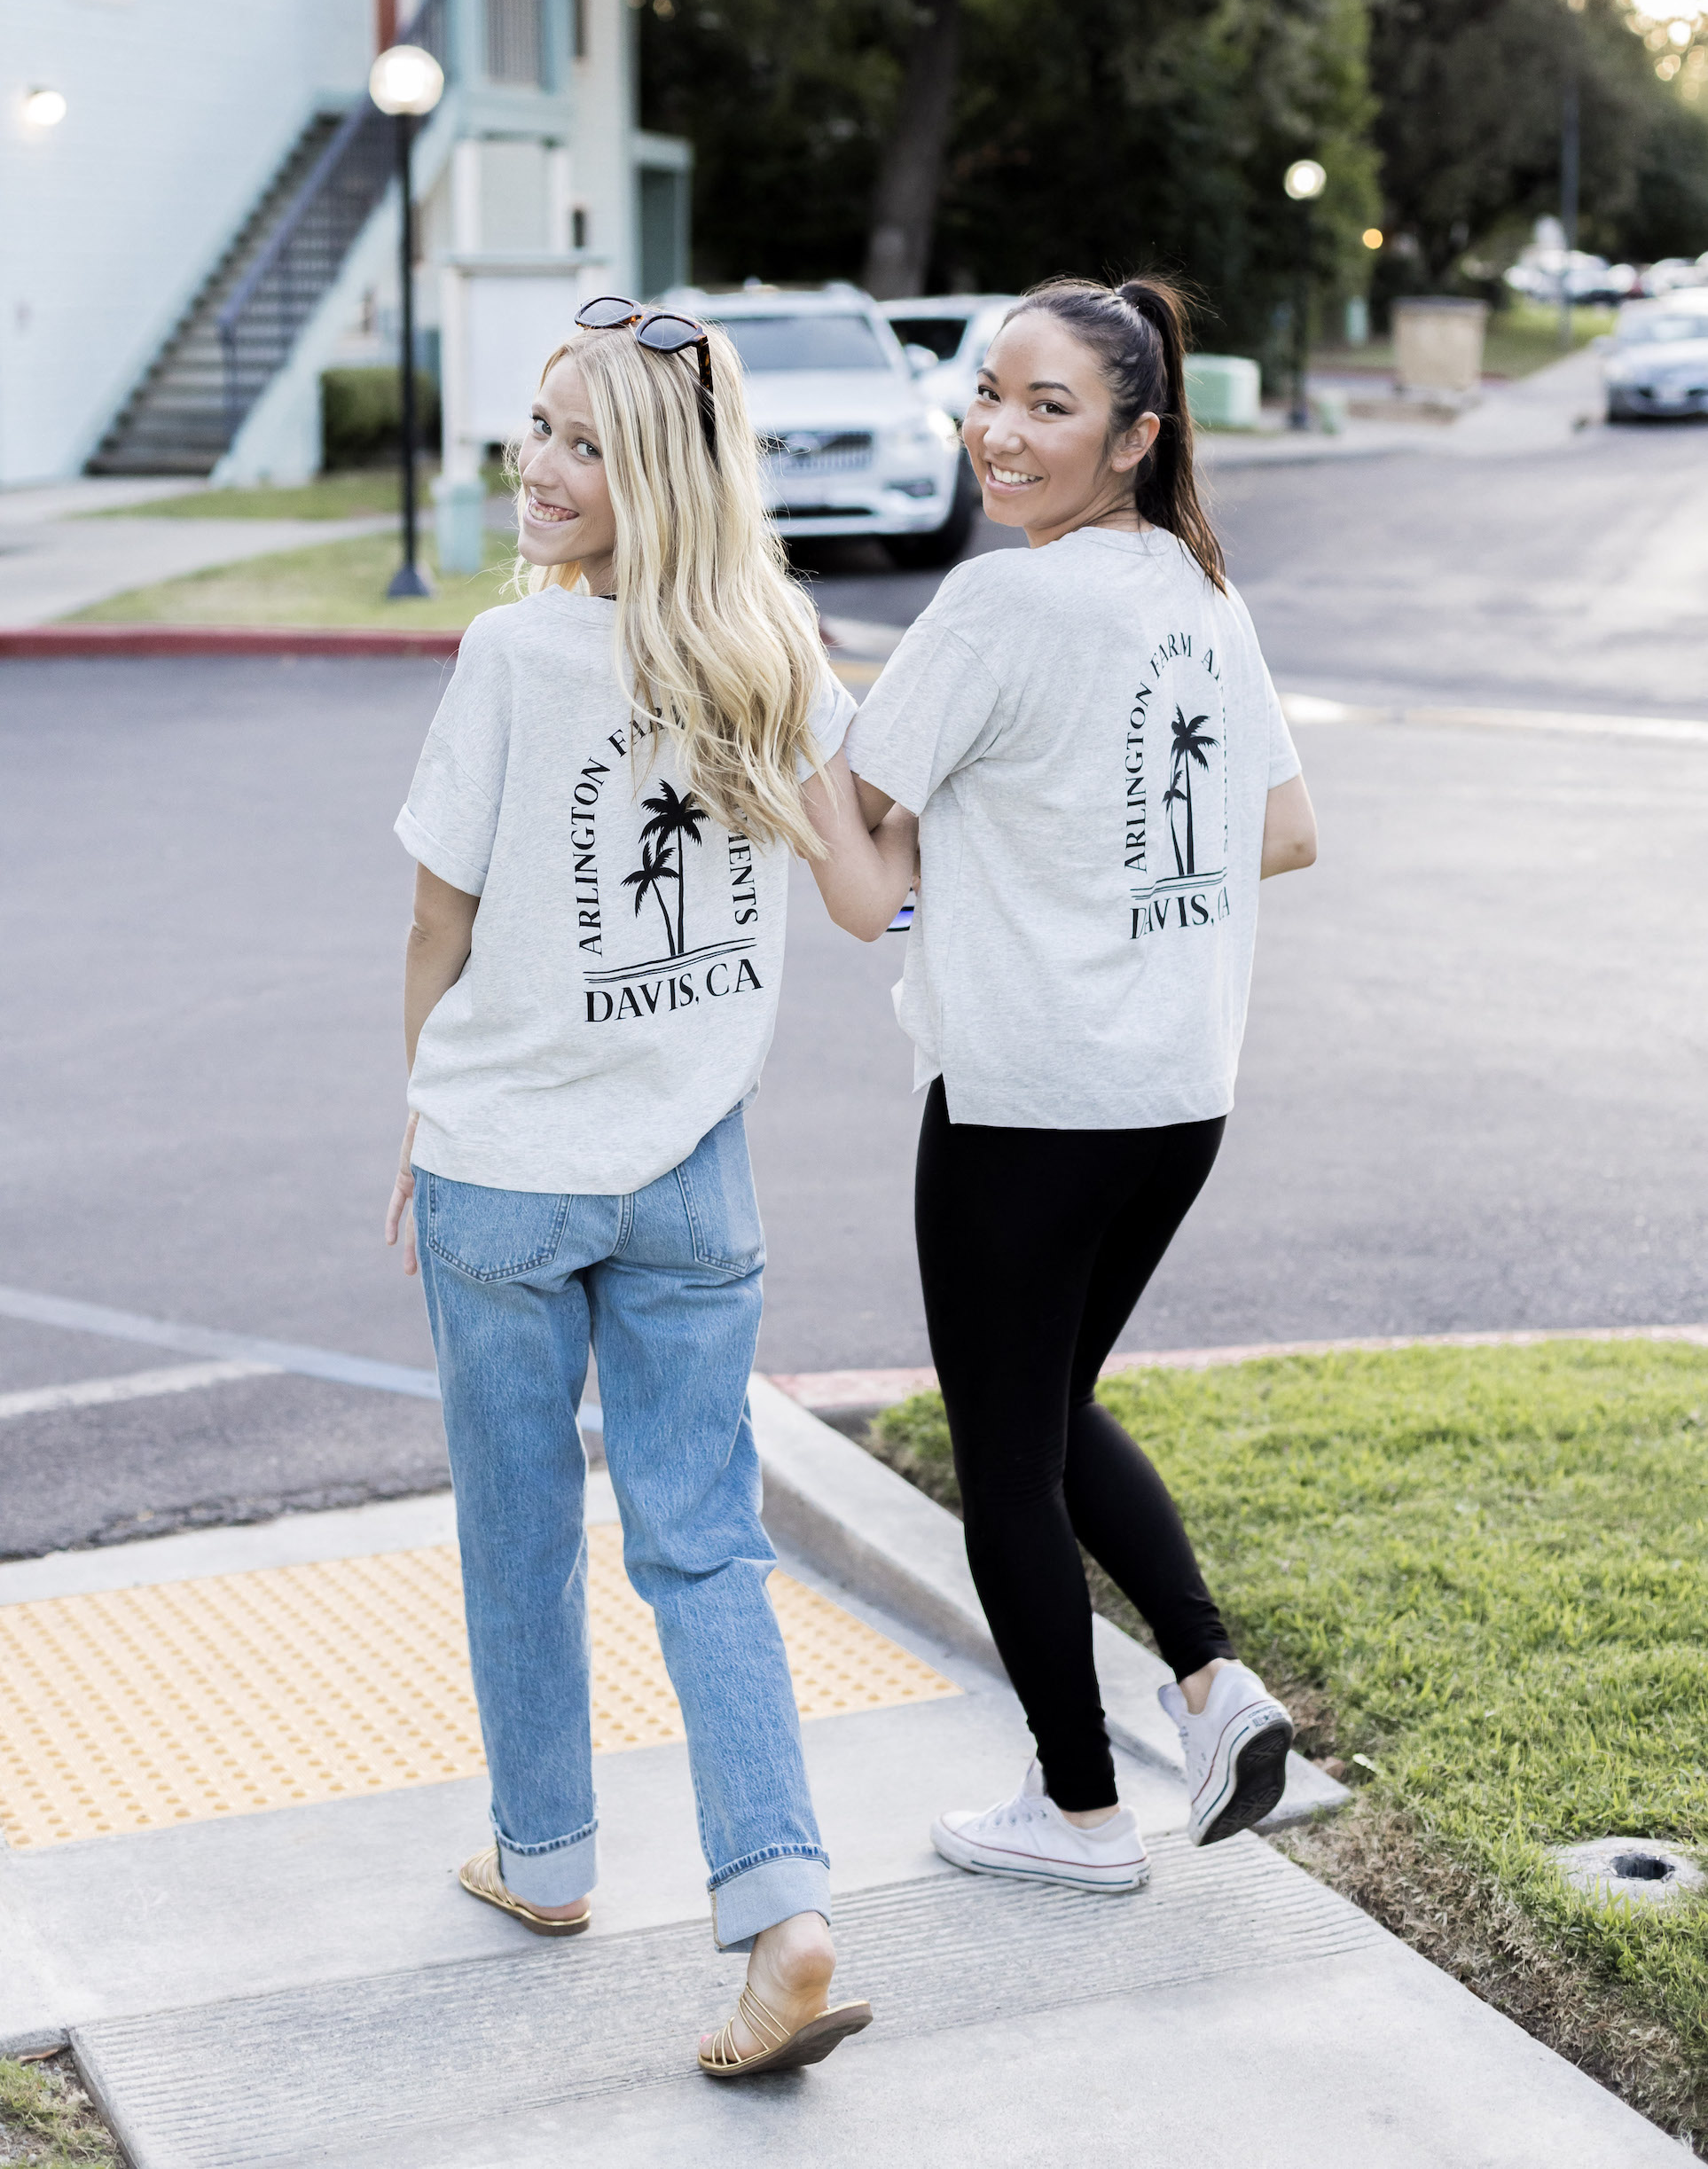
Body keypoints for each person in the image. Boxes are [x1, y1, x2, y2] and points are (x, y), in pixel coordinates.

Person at [384, 298, 914, 2076]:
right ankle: (784, 1910)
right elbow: (865, 895)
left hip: (509, 1175)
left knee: (516, 1524)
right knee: (707, 1544)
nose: (540, 467)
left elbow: (439, 918)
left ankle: (547, 1856)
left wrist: (417, 1122)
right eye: (538, 426)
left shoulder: (510, 660)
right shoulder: (773, 639)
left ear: (657, 469)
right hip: (697, 1168)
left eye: (586, 441)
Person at [818, 276, 1319, 1886]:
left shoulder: (996, 606)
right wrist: (1065, 861)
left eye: (1048, 406)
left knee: (1003, 1457)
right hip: (1176, 1091)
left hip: (1028, 1096)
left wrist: (773, 719)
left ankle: (1080, 1809)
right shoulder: (1194, 589)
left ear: (1133, 434)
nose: (999, 433)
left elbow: (852, 875)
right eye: (989, 395)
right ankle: (1209, 1676)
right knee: (1045, 1404)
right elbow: (1280, 831)